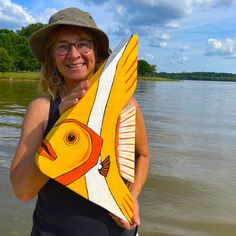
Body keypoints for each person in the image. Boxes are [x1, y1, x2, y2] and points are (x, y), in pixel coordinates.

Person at [10, 7, 150, 236]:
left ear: (97, 53)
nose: (74, 54)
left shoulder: (125, 104)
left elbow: (141, 155)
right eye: (62, 46)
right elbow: (23, 191)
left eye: (83, 44)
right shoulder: (42, 110)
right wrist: (60, 126)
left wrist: (132, 197)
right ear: (52, 58)